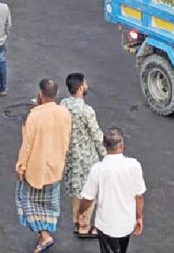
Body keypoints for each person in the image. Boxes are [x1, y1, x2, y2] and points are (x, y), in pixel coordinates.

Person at [15, 79, 72, 253]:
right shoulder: (64, 113)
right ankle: (44, 235)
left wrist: (21, 166)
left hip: (35, 169)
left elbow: (27, 145)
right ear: (56, 94)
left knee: (25, 201)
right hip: (55, 167)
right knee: (49, 205)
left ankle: (44, 235)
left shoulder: (35, 116)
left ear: (40, 94)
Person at [78, 127, 146, 253]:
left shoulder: (98, 169)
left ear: (104, 145)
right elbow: (139, 196)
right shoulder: (134, 165)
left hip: (107, 223)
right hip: (127, 222)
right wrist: (139, 217)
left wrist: (81, 213)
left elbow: (88, 198)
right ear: (122, 145)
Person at [61, 73, 105, 239]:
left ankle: (77, 221)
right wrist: (107, 156)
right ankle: (84, 225)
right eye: (85, 84)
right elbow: (96, 135)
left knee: (75, 190)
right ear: (80, 88)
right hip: (86, 157)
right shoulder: (86, 111)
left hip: (70, 155)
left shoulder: (63, 104)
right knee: (89, 192)